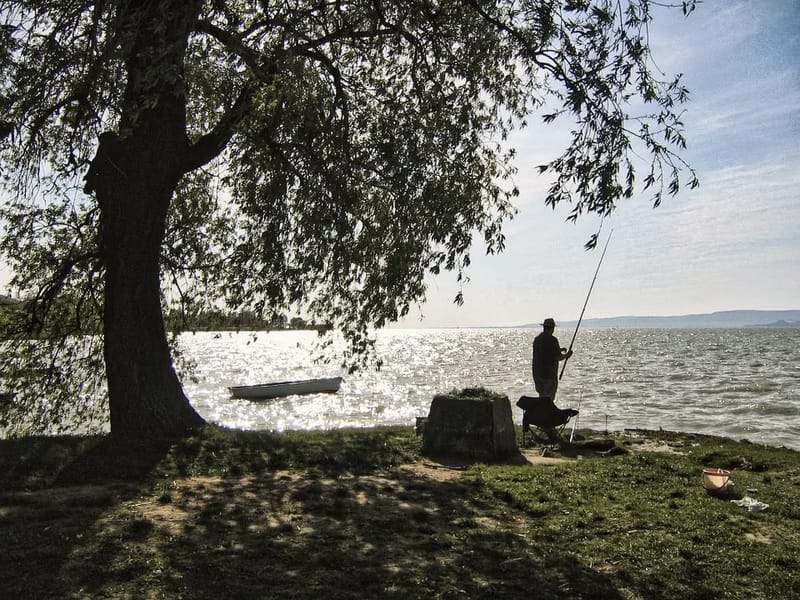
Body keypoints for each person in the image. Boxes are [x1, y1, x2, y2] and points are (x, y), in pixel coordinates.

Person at [531, 318, 572, 400]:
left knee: (542, 398)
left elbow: (545, 352)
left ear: (544, 327)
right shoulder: (553, 340)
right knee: (549, 400)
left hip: (537, 374)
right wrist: (567, 355)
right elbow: (558, 357)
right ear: (552, 328)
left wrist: (560, 349)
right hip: (549, 375)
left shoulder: (537, 339)